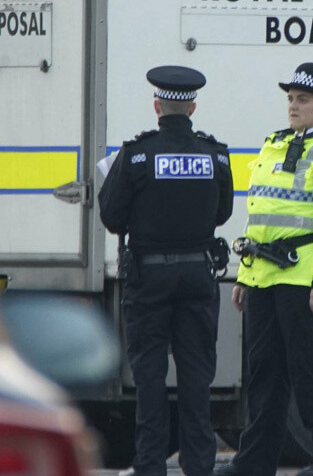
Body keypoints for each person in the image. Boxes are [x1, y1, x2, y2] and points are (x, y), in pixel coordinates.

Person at [213, 63, 313, 476]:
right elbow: (260, 214)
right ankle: (255, 463)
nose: (293, 106)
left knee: (312, 371)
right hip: (266, 276)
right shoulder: (275, 144)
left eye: (303, 100)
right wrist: (245, 274)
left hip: (306, 278)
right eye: (291, 99)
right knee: (264, 374)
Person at [99, 65, 233, 476]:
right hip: (197, 276)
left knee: (150, 377)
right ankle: (199, 465)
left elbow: (111, 216)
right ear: (192, 108)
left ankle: (150, 464)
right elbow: (223, 213)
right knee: (196, 376)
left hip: (148, 279)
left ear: (157, 106)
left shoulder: (136, 154)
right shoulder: (215, 154)